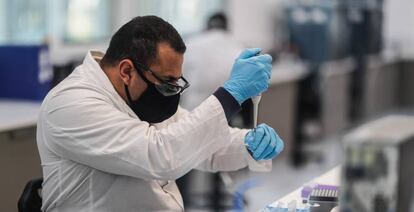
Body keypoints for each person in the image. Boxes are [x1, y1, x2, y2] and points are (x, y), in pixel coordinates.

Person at [36, 16, 284, 211]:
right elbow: (161, 155)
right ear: (126, 71)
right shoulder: (72, 103)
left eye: (176, 82)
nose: (171, 91)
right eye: (167, 82)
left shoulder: (136, 97)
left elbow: (198, 143)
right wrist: (231, 95)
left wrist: (247, 145)